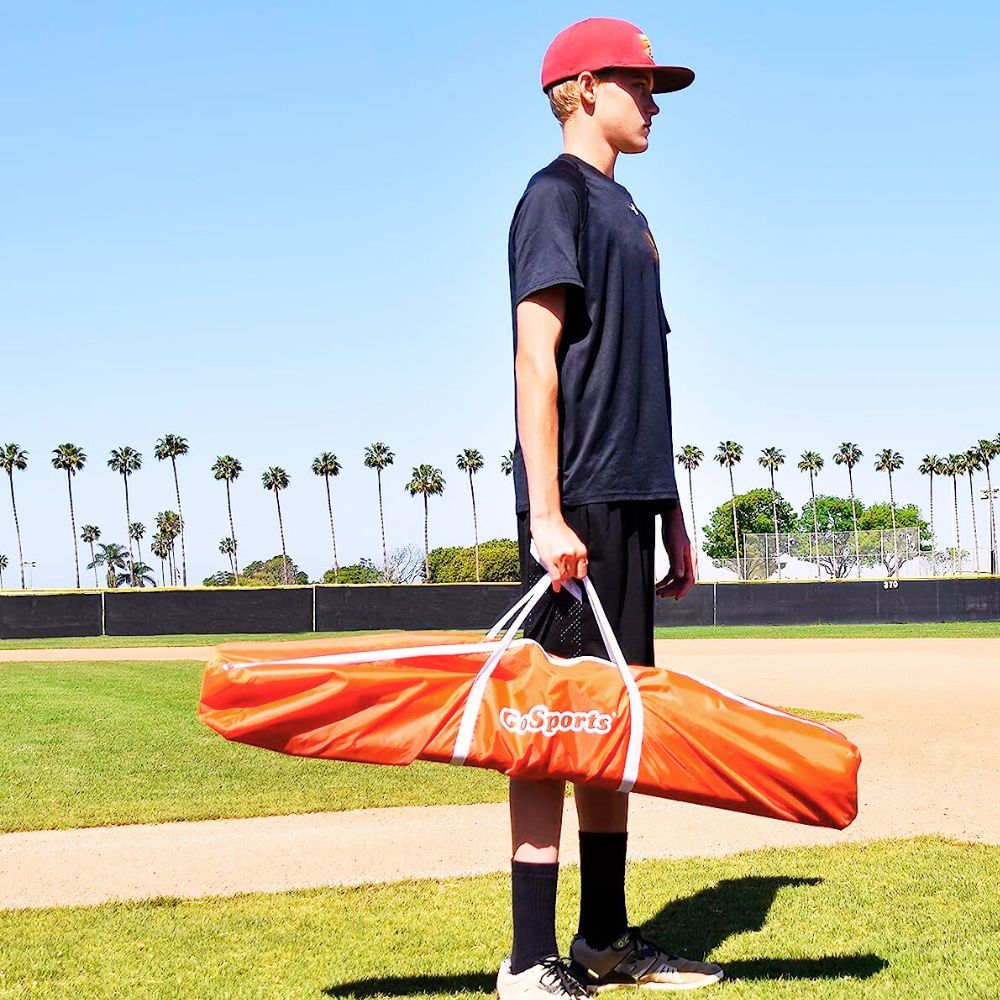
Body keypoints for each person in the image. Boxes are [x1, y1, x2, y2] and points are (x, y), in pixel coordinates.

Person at [497, 17, 724, 997]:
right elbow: (536, 355)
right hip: (577, 501)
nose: (656, 100)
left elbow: (645, 371)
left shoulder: (629, 215)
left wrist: (669, 509)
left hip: (630, 500)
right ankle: (527, 957)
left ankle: (602, 939)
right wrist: (547, 513)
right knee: (550, 729)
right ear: (584, 88)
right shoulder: (553, 197)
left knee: (611, 726)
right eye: (641, 82)